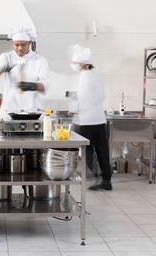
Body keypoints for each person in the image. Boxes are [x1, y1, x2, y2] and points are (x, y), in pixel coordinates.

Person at [68, 44, 112, 191]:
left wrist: (72, 110)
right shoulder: (96, 76)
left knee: (87, 152)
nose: (73, 65)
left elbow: (81, 98)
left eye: (74, 63)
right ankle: (106, 180)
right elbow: (102, 96)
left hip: (86, 121)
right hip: (99, 119)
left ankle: (96, 177)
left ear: (81, 63)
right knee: (102, 151)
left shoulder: (83, 77)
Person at [0, 27, 50, 120]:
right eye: (16, 45)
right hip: (9, 113)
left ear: (30, 43)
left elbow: (44, 85)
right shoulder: (6, 57)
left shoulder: (40, 60)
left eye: (23, 45)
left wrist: (33, 86)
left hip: (32, 113)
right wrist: (3, 68)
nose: (19, 48)